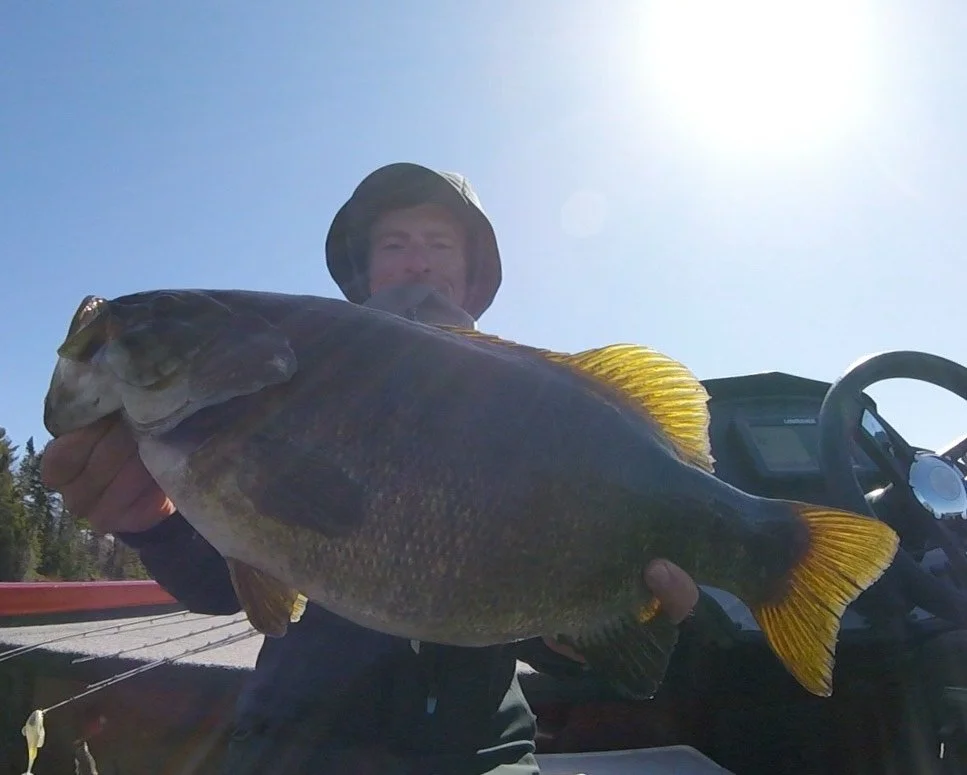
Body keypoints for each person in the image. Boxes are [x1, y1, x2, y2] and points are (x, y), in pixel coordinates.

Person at [41, 163, 701, 774]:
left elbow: (532, 620)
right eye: (395, 244)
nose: (417, 260)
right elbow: (226, 578)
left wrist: (591, 629)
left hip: (483, 751)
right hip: (299, 744)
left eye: (440, 245)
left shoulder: (546, 416)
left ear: (473, 276)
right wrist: (154, 526)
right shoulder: (286, 388)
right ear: (363, 274)